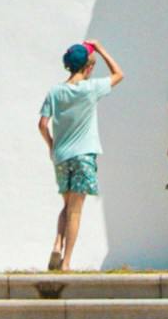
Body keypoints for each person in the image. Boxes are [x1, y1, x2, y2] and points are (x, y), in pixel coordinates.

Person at [35, 40, 111, 275]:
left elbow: (42, 124)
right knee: (76, 210)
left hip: (61, 155)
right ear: (87, 67)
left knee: (67, 206)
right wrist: (100, 49)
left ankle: (57, 244)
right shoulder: (90, 89)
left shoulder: (55, 92)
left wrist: (51, 144)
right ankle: (67, 262)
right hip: (84, 155)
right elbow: (119, 74)